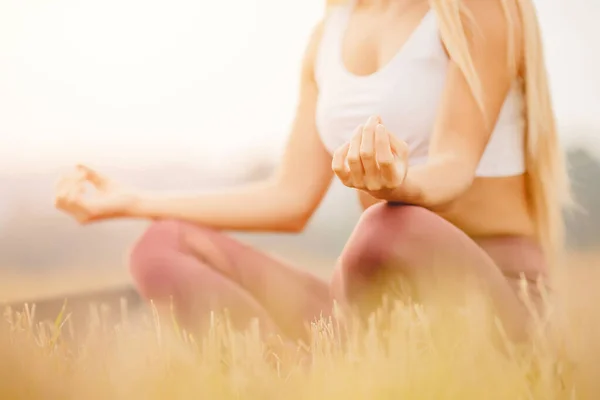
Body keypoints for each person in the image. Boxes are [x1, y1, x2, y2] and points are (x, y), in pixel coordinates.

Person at [55, 0, 571, 343]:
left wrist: (400, 185)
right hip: (370, 310)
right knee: (160, 245)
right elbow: (290, 196)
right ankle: (301, 377)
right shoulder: (327, 34)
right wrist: (131, 202)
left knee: (390, 227)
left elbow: (455, 163)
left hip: (492, 294)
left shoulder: (472, 10)